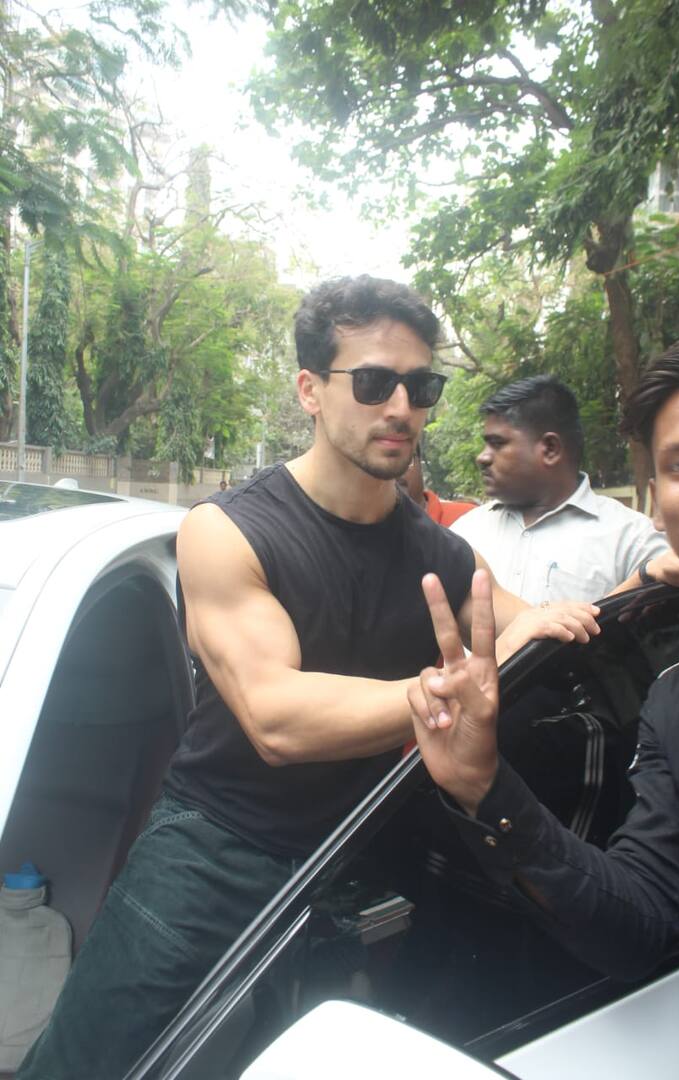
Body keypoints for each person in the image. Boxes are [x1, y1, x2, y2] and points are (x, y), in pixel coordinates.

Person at [18, 275, 600, 1080]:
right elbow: (274, 715)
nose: (400, 406)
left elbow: (523, 619)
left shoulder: (440, 550)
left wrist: (662, 581)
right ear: (310, 391)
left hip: (357, 848)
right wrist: (423, 699)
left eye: (420, 385)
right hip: (216, 845)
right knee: (93, 1058)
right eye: (372, 382)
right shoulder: (228, 530)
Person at [409, 329, 679, 981]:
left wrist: (639, 585)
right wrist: (481, 786)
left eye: (497, 442)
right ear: (664, 497)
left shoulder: (624, 536)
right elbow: (639, 920)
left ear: (549, 448)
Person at [451, 375, 671, 604]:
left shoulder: (632, 541)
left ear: (550, 449)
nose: (482, 457)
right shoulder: (464, 533)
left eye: (497, 443)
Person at [397, 446, 476, 526]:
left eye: (401, 458)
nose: (392, 471)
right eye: (383, 464)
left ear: (420, 465)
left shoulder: (469, 517)